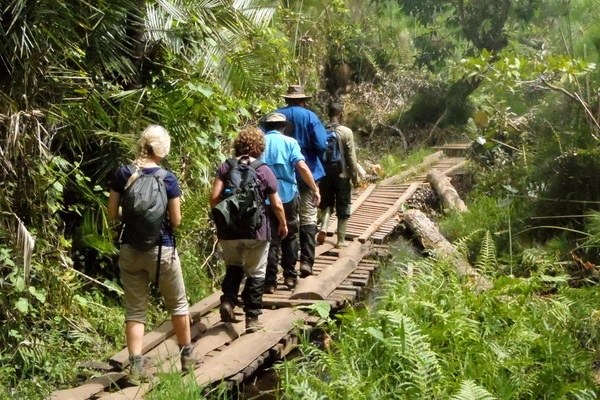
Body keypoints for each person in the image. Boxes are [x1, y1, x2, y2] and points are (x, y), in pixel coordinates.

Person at [107, 124, 199, 381]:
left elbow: (113, 214)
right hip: (163, 250)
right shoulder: (167, 178)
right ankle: (187, 355)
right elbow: (176, 220)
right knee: (178, 303)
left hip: (129, 248)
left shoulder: (122, 174)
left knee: (135, 310)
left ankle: (136, 365)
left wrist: (133, 216)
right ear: (162, 149)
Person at [210, 127, 287, 333]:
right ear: (259, 147)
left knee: (233, 265)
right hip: (257, 231)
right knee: (257, 272)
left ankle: (228, 301)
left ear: (238, 144)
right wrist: (283, 223)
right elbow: (277, 204)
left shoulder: (226, 167)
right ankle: (252, 318)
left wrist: (222, 219)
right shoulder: (263, 170)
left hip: (229, 231)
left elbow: (214, 197)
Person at [261, 112, 321, 292]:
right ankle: (289, 276)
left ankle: (270, 281)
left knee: (270, 238)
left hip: (264, 196)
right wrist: (314, 188)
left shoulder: (259, 143)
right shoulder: (290, 143)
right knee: (291, 234)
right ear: (283, 127)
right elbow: (301, 167)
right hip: (287, 195)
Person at [275, 84, 327, 278]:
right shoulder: (310, 117)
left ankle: (282, 264)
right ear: (303, 100)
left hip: (281, 177)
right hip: (307, 174)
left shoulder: (275, 116)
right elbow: (321, 144)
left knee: (285, 218)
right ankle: (306, 261)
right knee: (308, 217)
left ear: (287, 99)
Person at [317, 102, 360, 248]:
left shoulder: (321, 130)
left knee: (326, 202)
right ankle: (340, 240)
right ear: (341, 115)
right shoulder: (346, 132)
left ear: (328, 114)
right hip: (342, 175)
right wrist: (355, 178)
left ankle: (323, 226)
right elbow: (351, 158)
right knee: (343, 205)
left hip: (324, 174)